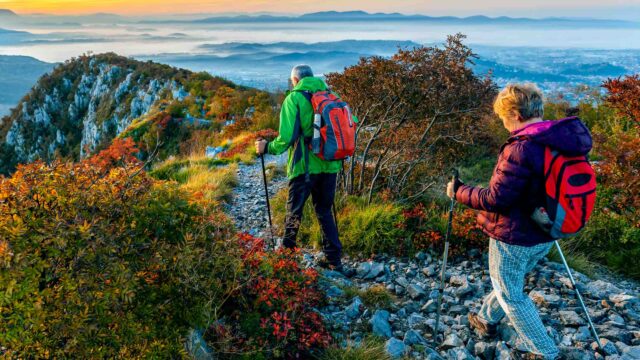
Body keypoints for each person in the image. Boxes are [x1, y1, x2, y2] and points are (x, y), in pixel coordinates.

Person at [447, 83, 593, 360]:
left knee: (511, 294)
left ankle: (544, 350)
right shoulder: (559, 139)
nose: (503, 123)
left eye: (503, 116)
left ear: (514, 113)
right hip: (547, 229)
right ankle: (485, 319)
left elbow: (496, 199)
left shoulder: (521, 148)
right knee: (507, 282)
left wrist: (459, 192)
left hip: (515, 235)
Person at [255, 65, 354, 276]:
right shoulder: (332, 96)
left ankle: (287, 260)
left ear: (295, 80)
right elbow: (350, 125)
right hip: (330, 165)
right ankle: (334, 261)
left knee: (294, 212)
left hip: (304, 167)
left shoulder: (294, 98)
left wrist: (267, 148)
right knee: (324, 211)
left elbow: (286, 138)